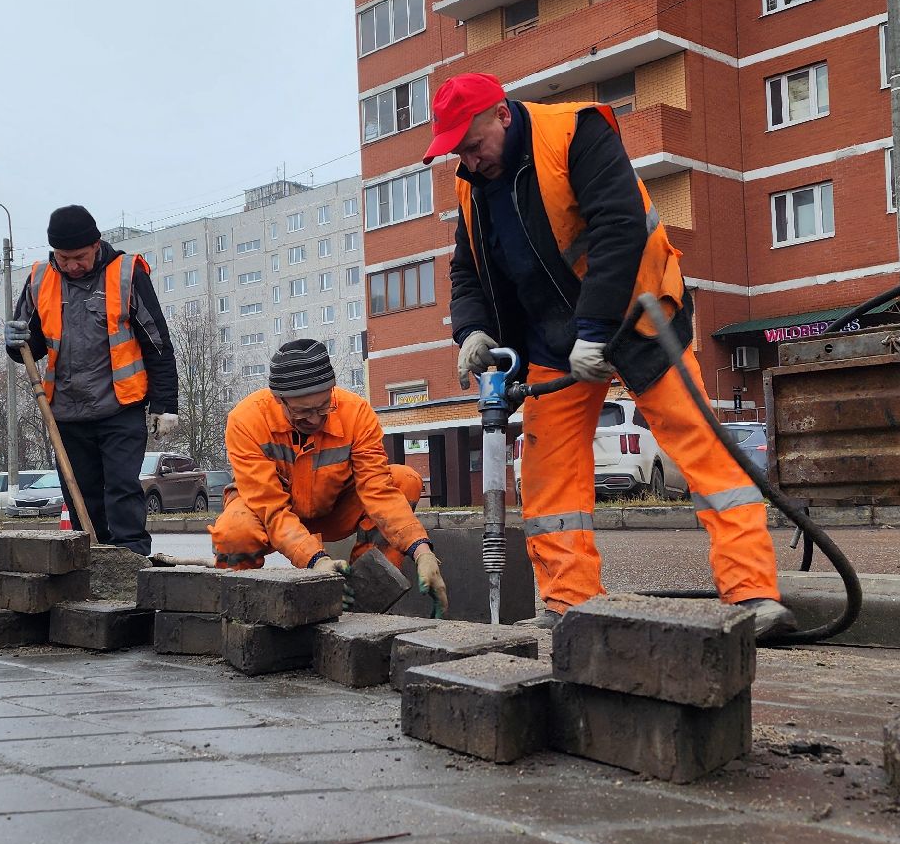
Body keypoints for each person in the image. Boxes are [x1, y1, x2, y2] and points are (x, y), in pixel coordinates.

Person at [427, 72, 792, 634]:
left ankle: (752, 595)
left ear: (502, 114)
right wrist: (472, 330)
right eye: (459, 153)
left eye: (474, 146)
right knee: (550, 479)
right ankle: (569, 605)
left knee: (701, 447)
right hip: (551, 342)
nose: (470, 161)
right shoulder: (473, 185)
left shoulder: (575, 133)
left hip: (635, 318)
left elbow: (619, 228)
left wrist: (595, 329)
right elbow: (467, 270)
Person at [211, 339, 448, 614]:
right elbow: (271, 509)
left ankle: (364, 604)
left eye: (323, 407)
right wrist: (317, 560)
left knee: (404, 480)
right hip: (270, 515)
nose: (314, 420)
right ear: (279, 399)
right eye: (302, 412)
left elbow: (379, 491)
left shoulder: (356, 413)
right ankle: (241, 614)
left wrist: (422, 551)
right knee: (234, 530)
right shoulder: (246, 421)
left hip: (334, 508)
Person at [6, 204, 178, 556]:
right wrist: (15, 341)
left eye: (79, 257)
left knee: (122, 489)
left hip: (120, 407)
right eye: (63, 257)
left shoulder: (126, 273)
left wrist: (165, 404)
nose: (71, 265)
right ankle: (93, 559)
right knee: (81, 496)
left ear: (96, 245)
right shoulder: (40, 279)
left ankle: (130, 559)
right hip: (66, 411)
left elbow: (157, 343)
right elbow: (30, 349)